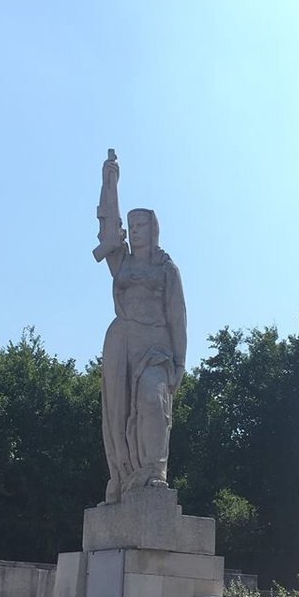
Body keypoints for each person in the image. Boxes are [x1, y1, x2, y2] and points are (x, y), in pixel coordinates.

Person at [94, 153, 186, 503]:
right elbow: (108, 228)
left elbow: (178, 316)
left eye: (141, 225)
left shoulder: (166, 268)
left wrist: (180, 362)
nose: (134, 231)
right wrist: (110, 183)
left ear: (154, 229)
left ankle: (154, 471)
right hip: (122, 343)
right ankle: (122, 476)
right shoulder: (121, 260)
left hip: (156, 345)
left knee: (152, 399)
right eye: (131, 226)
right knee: (118, 417)